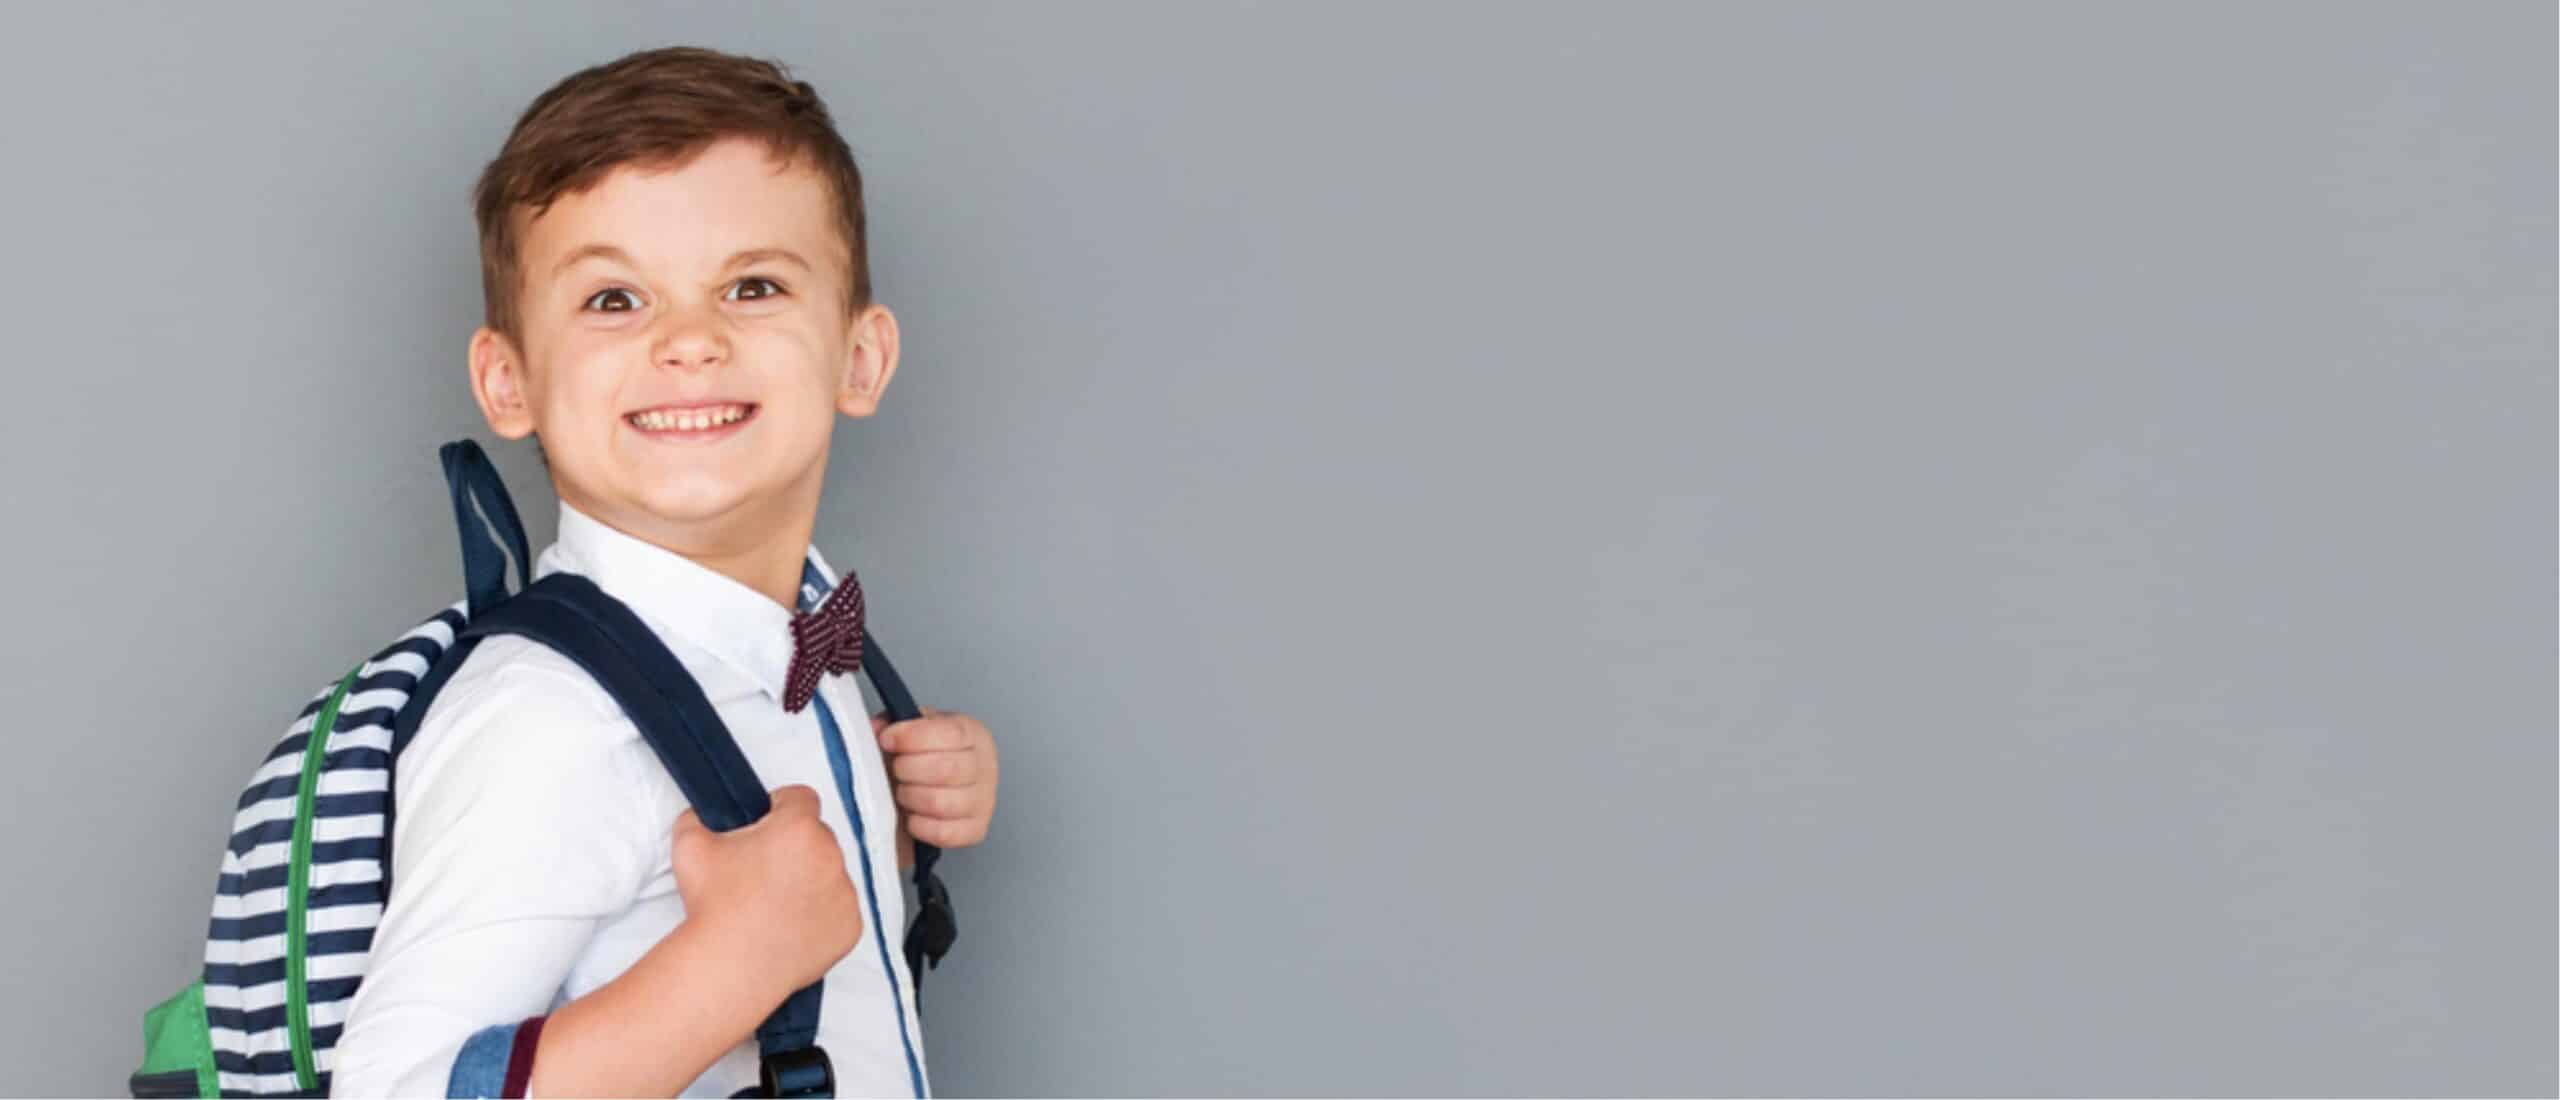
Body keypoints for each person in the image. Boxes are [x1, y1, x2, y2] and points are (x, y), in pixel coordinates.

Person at [329, 45, 1000, 1098]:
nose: (689, 339)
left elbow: (779, 890)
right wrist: (729, 966)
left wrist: (894, 827)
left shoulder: (811, 642)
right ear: (510, 384)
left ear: (859, 358)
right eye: (612, 300)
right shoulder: (550, 722)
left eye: (752, 284)